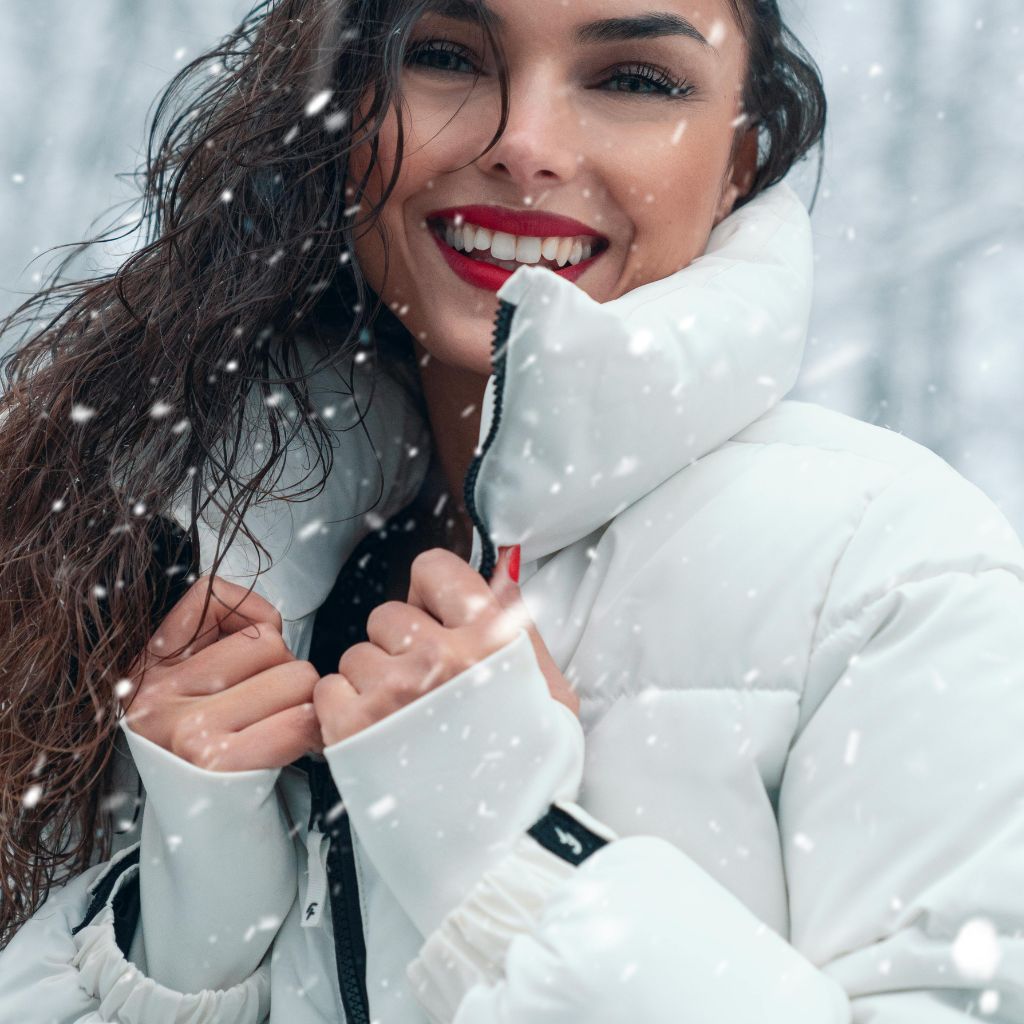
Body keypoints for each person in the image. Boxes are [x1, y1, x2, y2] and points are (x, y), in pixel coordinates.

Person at [1, 1, 1021, 1022]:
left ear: (736, 165)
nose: (524, 145)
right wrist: (195, 929)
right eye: (444, 58)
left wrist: (505, 858)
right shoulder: (157, 542)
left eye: (634, 79)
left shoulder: (897, 569)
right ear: (348, 114)